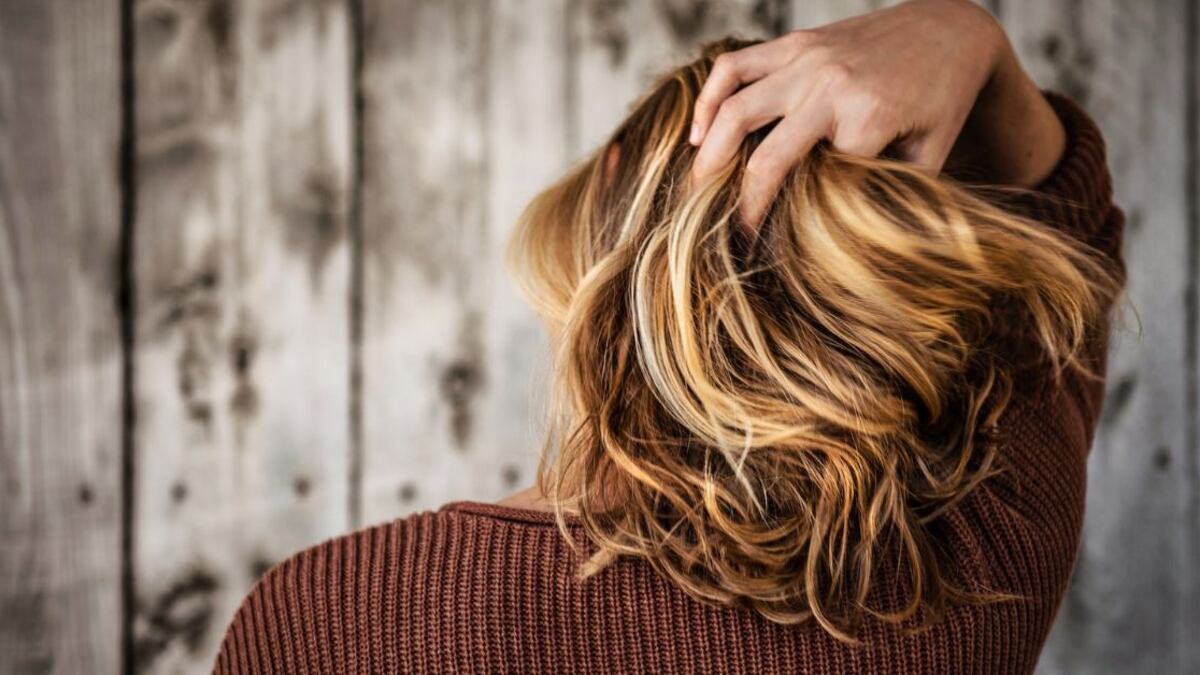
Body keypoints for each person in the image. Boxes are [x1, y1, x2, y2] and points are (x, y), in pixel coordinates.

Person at [212, 0, 1127, 672]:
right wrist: (967, 37)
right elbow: (1071, 240)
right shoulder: (980, 557)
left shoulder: (328, 621)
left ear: (605, 200)